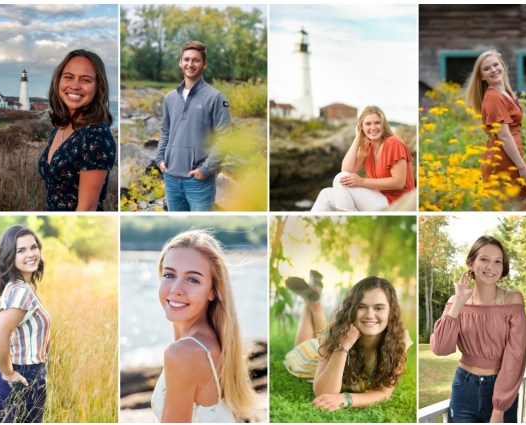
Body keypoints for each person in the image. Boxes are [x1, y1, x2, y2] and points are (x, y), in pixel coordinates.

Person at [151, 229, 259, 422]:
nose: (176, 290)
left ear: (213, 291)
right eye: (169, 275)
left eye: (192, 279)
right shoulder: (215, 341)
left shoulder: (184, 353)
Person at [430, 236, 526, 423]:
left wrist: (499, 408)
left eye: (498, 261)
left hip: (500, 390)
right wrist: (459, 302)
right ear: (471, 263)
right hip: (464, 387)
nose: (491, 267)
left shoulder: (513, 300)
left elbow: (516, 355)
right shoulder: (455, 301)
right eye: (484, 259)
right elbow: (440, 348)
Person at [284, 274, 411, 411]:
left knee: (321, 336)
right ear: (352, 309)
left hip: (323, 346)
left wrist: (346, 398)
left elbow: (384, 393)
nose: (369, 314)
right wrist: (343, 346)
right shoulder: (335, 332)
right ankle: (311, 303)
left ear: (391, 312)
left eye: (379, 308)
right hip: (314, 359)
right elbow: (324, 393)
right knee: (301, 346)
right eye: (361, 307)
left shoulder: (399, 339)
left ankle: (313, 302)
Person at [466, 50, 526, 211]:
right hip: (504, 162)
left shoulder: (502, 92)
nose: (493, 70)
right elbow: (504, 136)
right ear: (482, 77)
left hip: (508, 158)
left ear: (502, 66)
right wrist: (521, 167)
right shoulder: (493, 97)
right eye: (487, 69)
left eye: (495, 64)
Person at [0, 225, 51, 422]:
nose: (31, 254)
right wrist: (9, 374)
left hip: (10, 373)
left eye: (33, 247)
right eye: (21, 250)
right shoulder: (21, 291)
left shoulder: (14, 286)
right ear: (9, 256)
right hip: (23, 375)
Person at [156, 40, 231, 211]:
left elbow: (225, 137)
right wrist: (160, 159)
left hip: (198, 182)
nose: (190, 64)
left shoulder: (216, 98)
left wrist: (206, 169)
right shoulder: (170, 98)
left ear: (204, 64)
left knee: (200, 229)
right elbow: (165, 130)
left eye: (196, 60)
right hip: (171, 178)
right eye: (186, 59)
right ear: (180, 62)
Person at [38, 49, 116, 211]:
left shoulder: (96, 136)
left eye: (85, 80)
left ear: (98, 87)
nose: (74, 86)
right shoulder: (62, 127)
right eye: (68, 77)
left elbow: (87, 208)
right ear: (58, 80)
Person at [311, 106, 415, 211]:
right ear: (361, 127)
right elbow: (346, 170)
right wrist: (357, 138)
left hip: (397, 203)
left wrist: (362, 182)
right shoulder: (367, 147)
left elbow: (398, 183)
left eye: (377, 123)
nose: (373, 127)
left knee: (340, 178)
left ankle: (351, 221)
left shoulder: (394, 143)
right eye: (368, 124)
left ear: (383, 125)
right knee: (326, 194)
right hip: (378, 198)